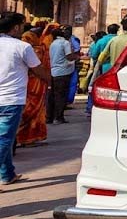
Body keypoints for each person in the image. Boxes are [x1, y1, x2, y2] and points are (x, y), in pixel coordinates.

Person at [0, 12, 51, 185]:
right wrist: (49, 80)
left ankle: (7, 174)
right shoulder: (22, 47)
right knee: (5, 139)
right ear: (15, 27)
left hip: (9, 98)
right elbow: (38, 69)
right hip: (11, 99)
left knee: (6, 138)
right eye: (22, 26)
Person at [15, 22, 49, 146]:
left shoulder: (31, 49)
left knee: (32, 109)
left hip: (30, 82)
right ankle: (24, 137)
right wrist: (48, 79)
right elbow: (38, 68)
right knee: (31, 110)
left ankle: (28, 137)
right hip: (34, 83)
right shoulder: (36, 50)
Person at [47, 25, 79, 124]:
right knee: (61, 96)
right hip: (64, 72)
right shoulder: (65, 43)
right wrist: (77, 57)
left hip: (54, 71)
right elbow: (69, 56)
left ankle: (49, 117)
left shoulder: (53, 43)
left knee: (53, 95)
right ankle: (58, 117)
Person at [85, 23, 119, 117]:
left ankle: (92, 107)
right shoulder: (118, 39)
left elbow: (94, 55)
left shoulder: (101, 41)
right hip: (118, 68)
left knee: (97, 87)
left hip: (103, 67)